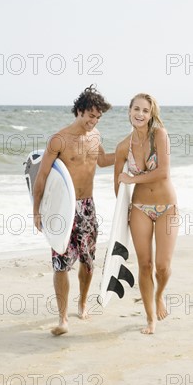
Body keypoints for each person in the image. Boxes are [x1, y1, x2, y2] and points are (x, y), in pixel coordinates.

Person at [33, 85, 114, 336]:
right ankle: (63, 318)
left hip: (88, 206)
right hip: (63, 207)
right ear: (79, 111)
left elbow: (101, 161)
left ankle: (82, 302)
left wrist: (125, 154)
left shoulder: (96, 136)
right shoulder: (59, 139)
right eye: (91, 115)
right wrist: (37, 211)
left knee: (89, 262)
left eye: (98, 117)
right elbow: (43, 175)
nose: (94, 121)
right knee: (61, 262)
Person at [114, 93, 178, 334]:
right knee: (144, 265)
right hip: (139, 208)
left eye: (145, 111)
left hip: (167, 208)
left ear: (152, 115)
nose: (140, 114)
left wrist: (133, 178)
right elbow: (118, 187)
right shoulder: (123, 147)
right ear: (129, 111)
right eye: (136, 109)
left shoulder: (159, 135)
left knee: (162, 266)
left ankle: (160, 294)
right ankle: (150, 318)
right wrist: (122, 216)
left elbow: (163, 172)